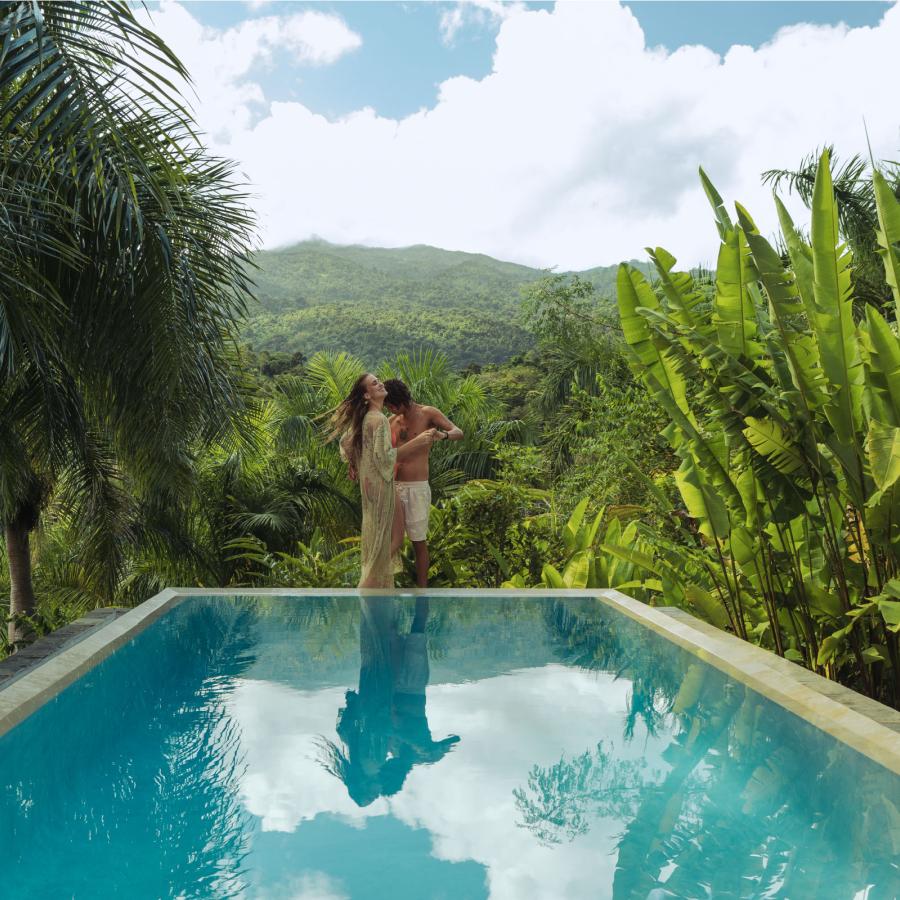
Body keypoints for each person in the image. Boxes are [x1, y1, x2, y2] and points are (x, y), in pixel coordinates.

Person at [329, 373, 445, 588]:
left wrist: (353, 463)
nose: (380, 383)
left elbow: (346, 442)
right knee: (390, 541)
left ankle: (369, 584)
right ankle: (366, 585)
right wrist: (417, 442)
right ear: (366, 395)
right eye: (374, 383)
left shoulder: (369, 418)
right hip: (382, 485)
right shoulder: (379, 419)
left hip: (374, 486)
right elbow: (385, 457)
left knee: (388, 540)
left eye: (378, 380)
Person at [384, 379, 463, 587]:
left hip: (417, 486)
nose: (391, 409)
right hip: (394, 486)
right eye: (388, 406)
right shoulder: (391, 420)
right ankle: (386, 585)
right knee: (392, 540)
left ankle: (422, 590)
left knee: (418, 541)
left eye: (393, 404)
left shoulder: (427, 413)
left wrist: (442, 435)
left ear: (402, 399)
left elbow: (458, 432)